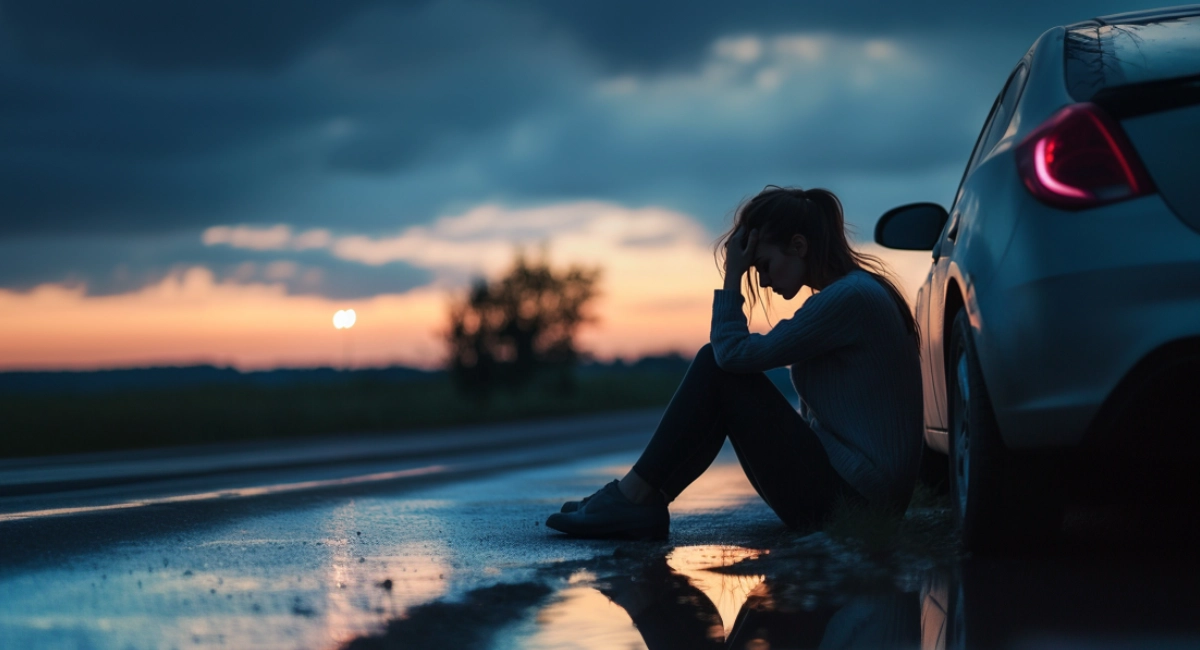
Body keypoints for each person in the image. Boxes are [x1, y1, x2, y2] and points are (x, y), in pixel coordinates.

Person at [545, 186, 923, 539]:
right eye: (753, 270)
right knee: (723, 374)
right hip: (858, 493)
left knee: (717, 366)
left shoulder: (849, 298)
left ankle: (634, 497)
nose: (762, 280)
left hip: (857, 501)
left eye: (763, 265)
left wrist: (732, 276)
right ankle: (642, 498)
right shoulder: (853, 293)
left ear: (798, 246)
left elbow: (731, 354)